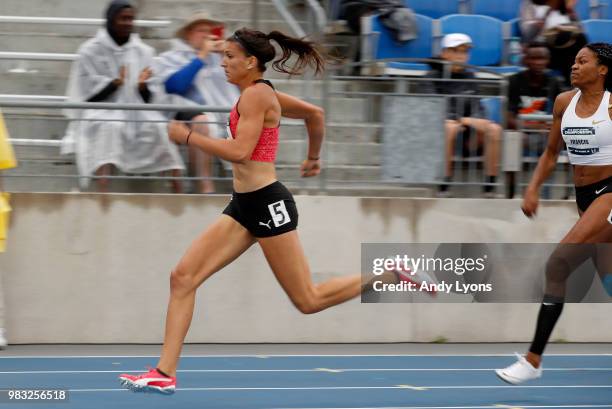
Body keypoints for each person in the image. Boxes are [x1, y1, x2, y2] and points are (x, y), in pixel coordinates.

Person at [118, 28, 365, 394]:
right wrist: (312, 158)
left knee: (308, 300)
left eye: (230, 57)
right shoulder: (261, 94)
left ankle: (388, 274)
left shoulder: (255, 96)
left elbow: (239, 152)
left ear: (251, 62)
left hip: (268, 204)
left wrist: (188, 137)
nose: (223, 63)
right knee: (183, 277)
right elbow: (315, 114)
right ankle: (164, 372)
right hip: (243, 205)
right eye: (223, 56)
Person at [496, 43, 612, 384]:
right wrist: (532, 189)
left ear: (602, 69)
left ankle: (533, 359)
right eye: (573, 62)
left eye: (582, 61)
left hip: (611, 193)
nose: (574, 67)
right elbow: (550, 153)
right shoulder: (564, 103)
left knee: (558, 264)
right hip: (585, 198)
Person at [61, 0, 185, 192]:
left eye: (131, 19)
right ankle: (104, 190)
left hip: (137, 110)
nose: (128, 23)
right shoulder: (90, 51)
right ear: (110, 20)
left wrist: (143, 86)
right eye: (123, 18)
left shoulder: (144, 51)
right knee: (109, 126)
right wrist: (114, 83)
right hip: (102, 110)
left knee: (160, 127)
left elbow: (153, 95)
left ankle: (177, 189)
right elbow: (84, 94)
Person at [155, 11, 240, 193]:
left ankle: (252, 188)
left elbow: (244, 83)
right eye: (201, 30)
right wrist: (201, 56)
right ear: (188, 34)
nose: (207, 35)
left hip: (222, 115)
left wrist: (231, 56)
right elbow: (175, 86)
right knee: (203, 122)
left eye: (209, 30)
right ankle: (205, 186)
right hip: (183, 114)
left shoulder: (221, 59)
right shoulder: (171, 57)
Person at [424, 33, 503, 197]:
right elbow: (432, 109)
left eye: (464, 52)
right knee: (448, 128)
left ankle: (489, 185)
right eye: (456, 51)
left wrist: (469, 120)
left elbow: (477, 107)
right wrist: (460, 120)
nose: (461, 55)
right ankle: (444, 183)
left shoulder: (470, 76)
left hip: (466, 130)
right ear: (445, 53)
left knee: (494, 129)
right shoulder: (431, 77)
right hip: (438, 132)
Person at [520, 0, 587, 85]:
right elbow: (528, 34)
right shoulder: (531, 4)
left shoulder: (565, 8)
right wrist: (547, 14)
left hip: (564, 48)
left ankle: (574, 85)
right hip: (541, 46)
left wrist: (570, 13)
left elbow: (578, 30)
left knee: (579, 40)